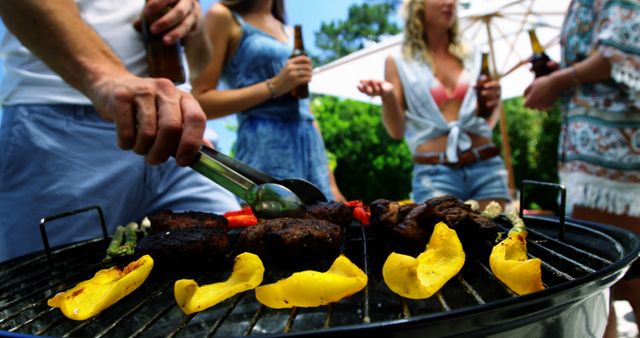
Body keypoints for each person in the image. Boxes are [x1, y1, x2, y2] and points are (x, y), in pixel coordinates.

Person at [0, 0, 240, 262]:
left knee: (236, 260)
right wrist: (105, 77)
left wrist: (193, 25)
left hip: (177, 131)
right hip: (58, 131)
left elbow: (199, 65)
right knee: (54, 288)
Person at [523, 1, 640, 337]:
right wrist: (558, 70)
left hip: (618, 162)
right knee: (605, 284)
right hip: (593, 164)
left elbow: (623, 49)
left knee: (621, 280)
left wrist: (558, 80)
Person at [357, 0, 509, 209]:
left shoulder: (474, 54)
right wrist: (388, 96)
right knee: (439, 239)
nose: (450, 2)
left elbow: (489, 121)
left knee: (498, 236)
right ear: (417, 5)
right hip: (434, 173)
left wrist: (494, 100)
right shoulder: (398, 61)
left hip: (486, 165)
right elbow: (396, 131)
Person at [192, 0, 345, 203]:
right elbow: (200, 100)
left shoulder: (289, 31)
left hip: (310, 152)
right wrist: (274, 86)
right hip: (264, 151)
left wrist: (331, 182)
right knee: (271, 228)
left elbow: (305, 111)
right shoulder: (223, 16)